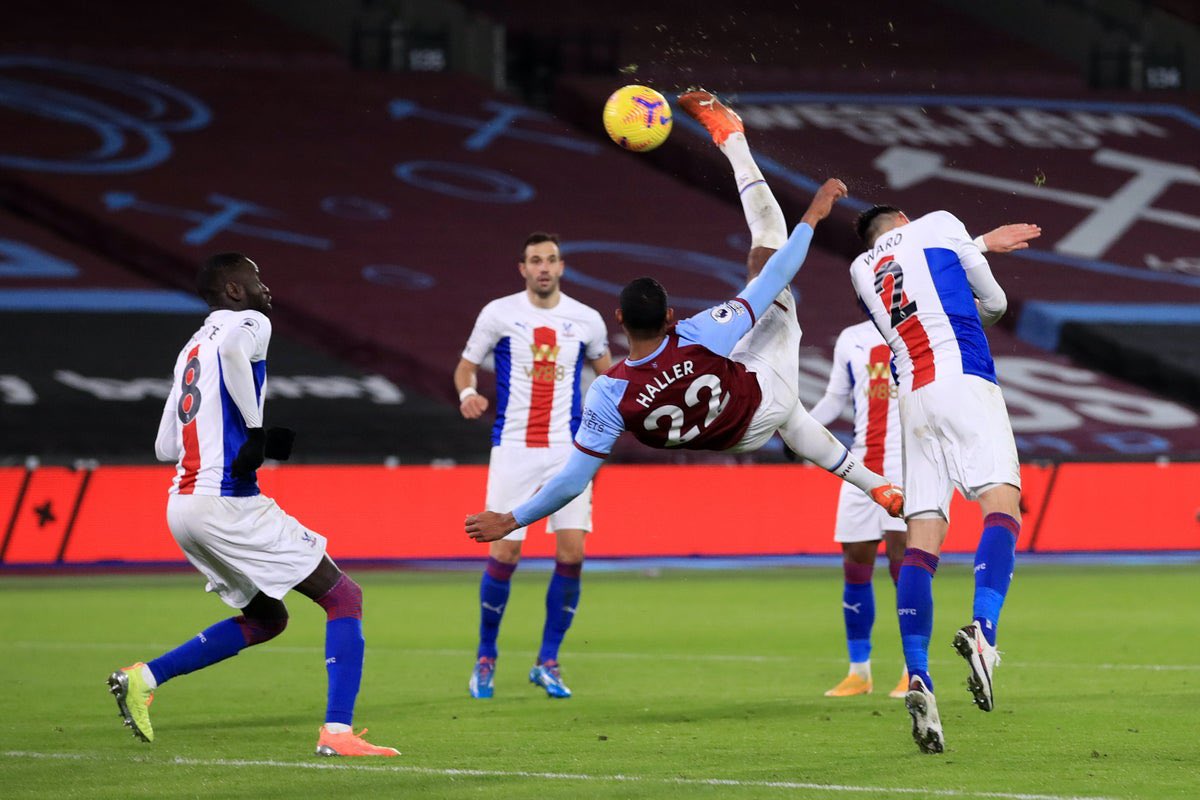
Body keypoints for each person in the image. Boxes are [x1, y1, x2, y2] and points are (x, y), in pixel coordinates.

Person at [466, 91, 903, 548]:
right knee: (765, 252)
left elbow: (572, 482)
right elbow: (777, 275)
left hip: (737, 438)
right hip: (759, 393)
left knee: (792, 417)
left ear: (619, 319)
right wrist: (813, 215)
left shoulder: (608, 394)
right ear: (671, 316)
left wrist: (512, 519)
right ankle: (732, 138)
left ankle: (875, 485)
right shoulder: (696, 334)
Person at [107, 253, 398, 757]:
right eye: (257, 279)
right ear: (234, 290)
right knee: (343, 597)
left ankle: (144, 677)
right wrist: (255, 431)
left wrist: (226, 437)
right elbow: (239, 355)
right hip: (225, 502)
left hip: (183, 505)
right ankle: (337, 732)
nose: (266, 289)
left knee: (267, 618)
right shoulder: (249, 322)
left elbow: (163, 447)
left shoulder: (191, 347)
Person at [812, 224, 1039, 702]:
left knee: (921, 542)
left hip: (912, 401)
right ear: (900, 224)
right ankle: (984, 629)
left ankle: (917, 674)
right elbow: (995, 304)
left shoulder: (861, 271)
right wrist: (978, 253)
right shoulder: (938, 224)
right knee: (1002, 505)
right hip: (962, 377)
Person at [455, 232, 611, 700]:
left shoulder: (586, 320)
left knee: (572, 555)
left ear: (562, 267)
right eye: (535, 261)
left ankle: (548, 661)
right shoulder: (499, 313)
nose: (544, 267)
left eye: (551, 260)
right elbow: (466, 366)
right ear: (521, 268)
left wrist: (612, 419)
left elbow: (610, 376)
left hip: (570, 452)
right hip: (514, 449)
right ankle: (486, 657)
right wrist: (468, 393)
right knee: (504, 553)